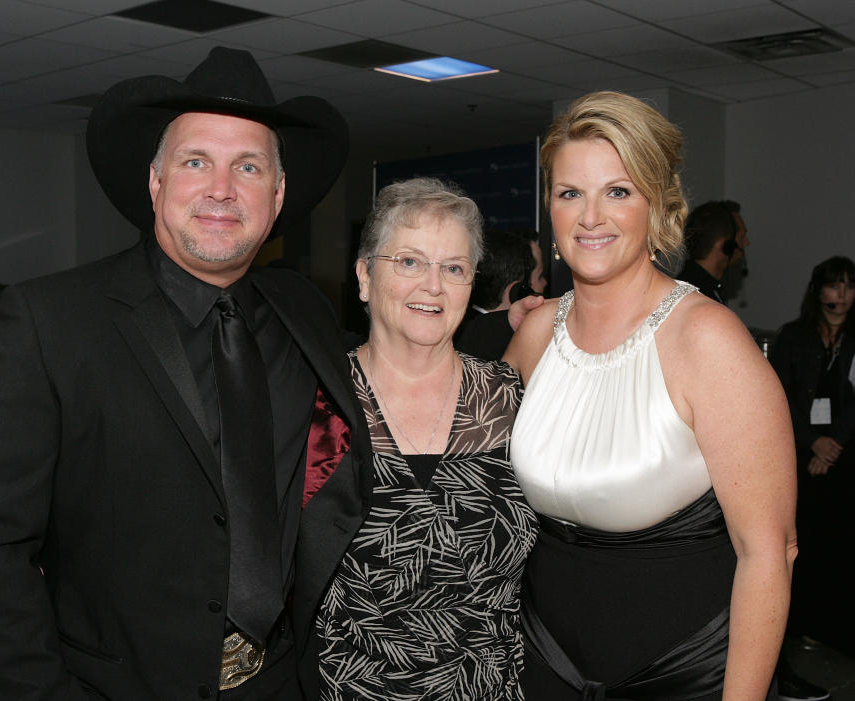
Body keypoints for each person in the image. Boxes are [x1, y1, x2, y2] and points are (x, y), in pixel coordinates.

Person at [0, 47, 374, 701]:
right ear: (156, 181)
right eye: (196, 160)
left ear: (277, 195)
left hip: (282, 681)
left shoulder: (303, 311)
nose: (222, 188)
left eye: (248, 166)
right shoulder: (49, 322)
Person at [504, 91, 796, 700]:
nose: (591, 217)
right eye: (569, 193)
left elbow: (768, 553)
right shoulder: (534, 333)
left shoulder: (707, 340)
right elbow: (465, 471)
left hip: (682, 673)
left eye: (618, 191)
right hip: (542, 661)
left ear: (659, 205)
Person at [315, 178, 537, 699]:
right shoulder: (316, 405)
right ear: (365, 277)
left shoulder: (513, 403)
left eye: (454, 268)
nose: (433, 286)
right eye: (410, 262)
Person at [771, 256, 855, 661]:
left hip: (846, 458)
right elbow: (778, 398)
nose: (842, 295)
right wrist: (812, 442)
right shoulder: (794, 335)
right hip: (802, 456)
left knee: (842, 544)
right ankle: (799, 625)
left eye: (849, 287)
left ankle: (836, 628)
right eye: (834, 286)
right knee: (804, 543)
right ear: (818, 290)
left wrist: (834, 443)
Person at [456, 229, 540, 360]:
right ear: (517, 291)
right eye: (540, 277)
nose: (545, 283)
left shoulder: (459, 330)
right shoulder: (514, 346)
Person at [677, 200, 749, 304]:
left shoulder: (695, 286)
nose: (747, 243)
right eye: (742, 237)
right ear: (725, 246)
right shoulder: (699, 298)